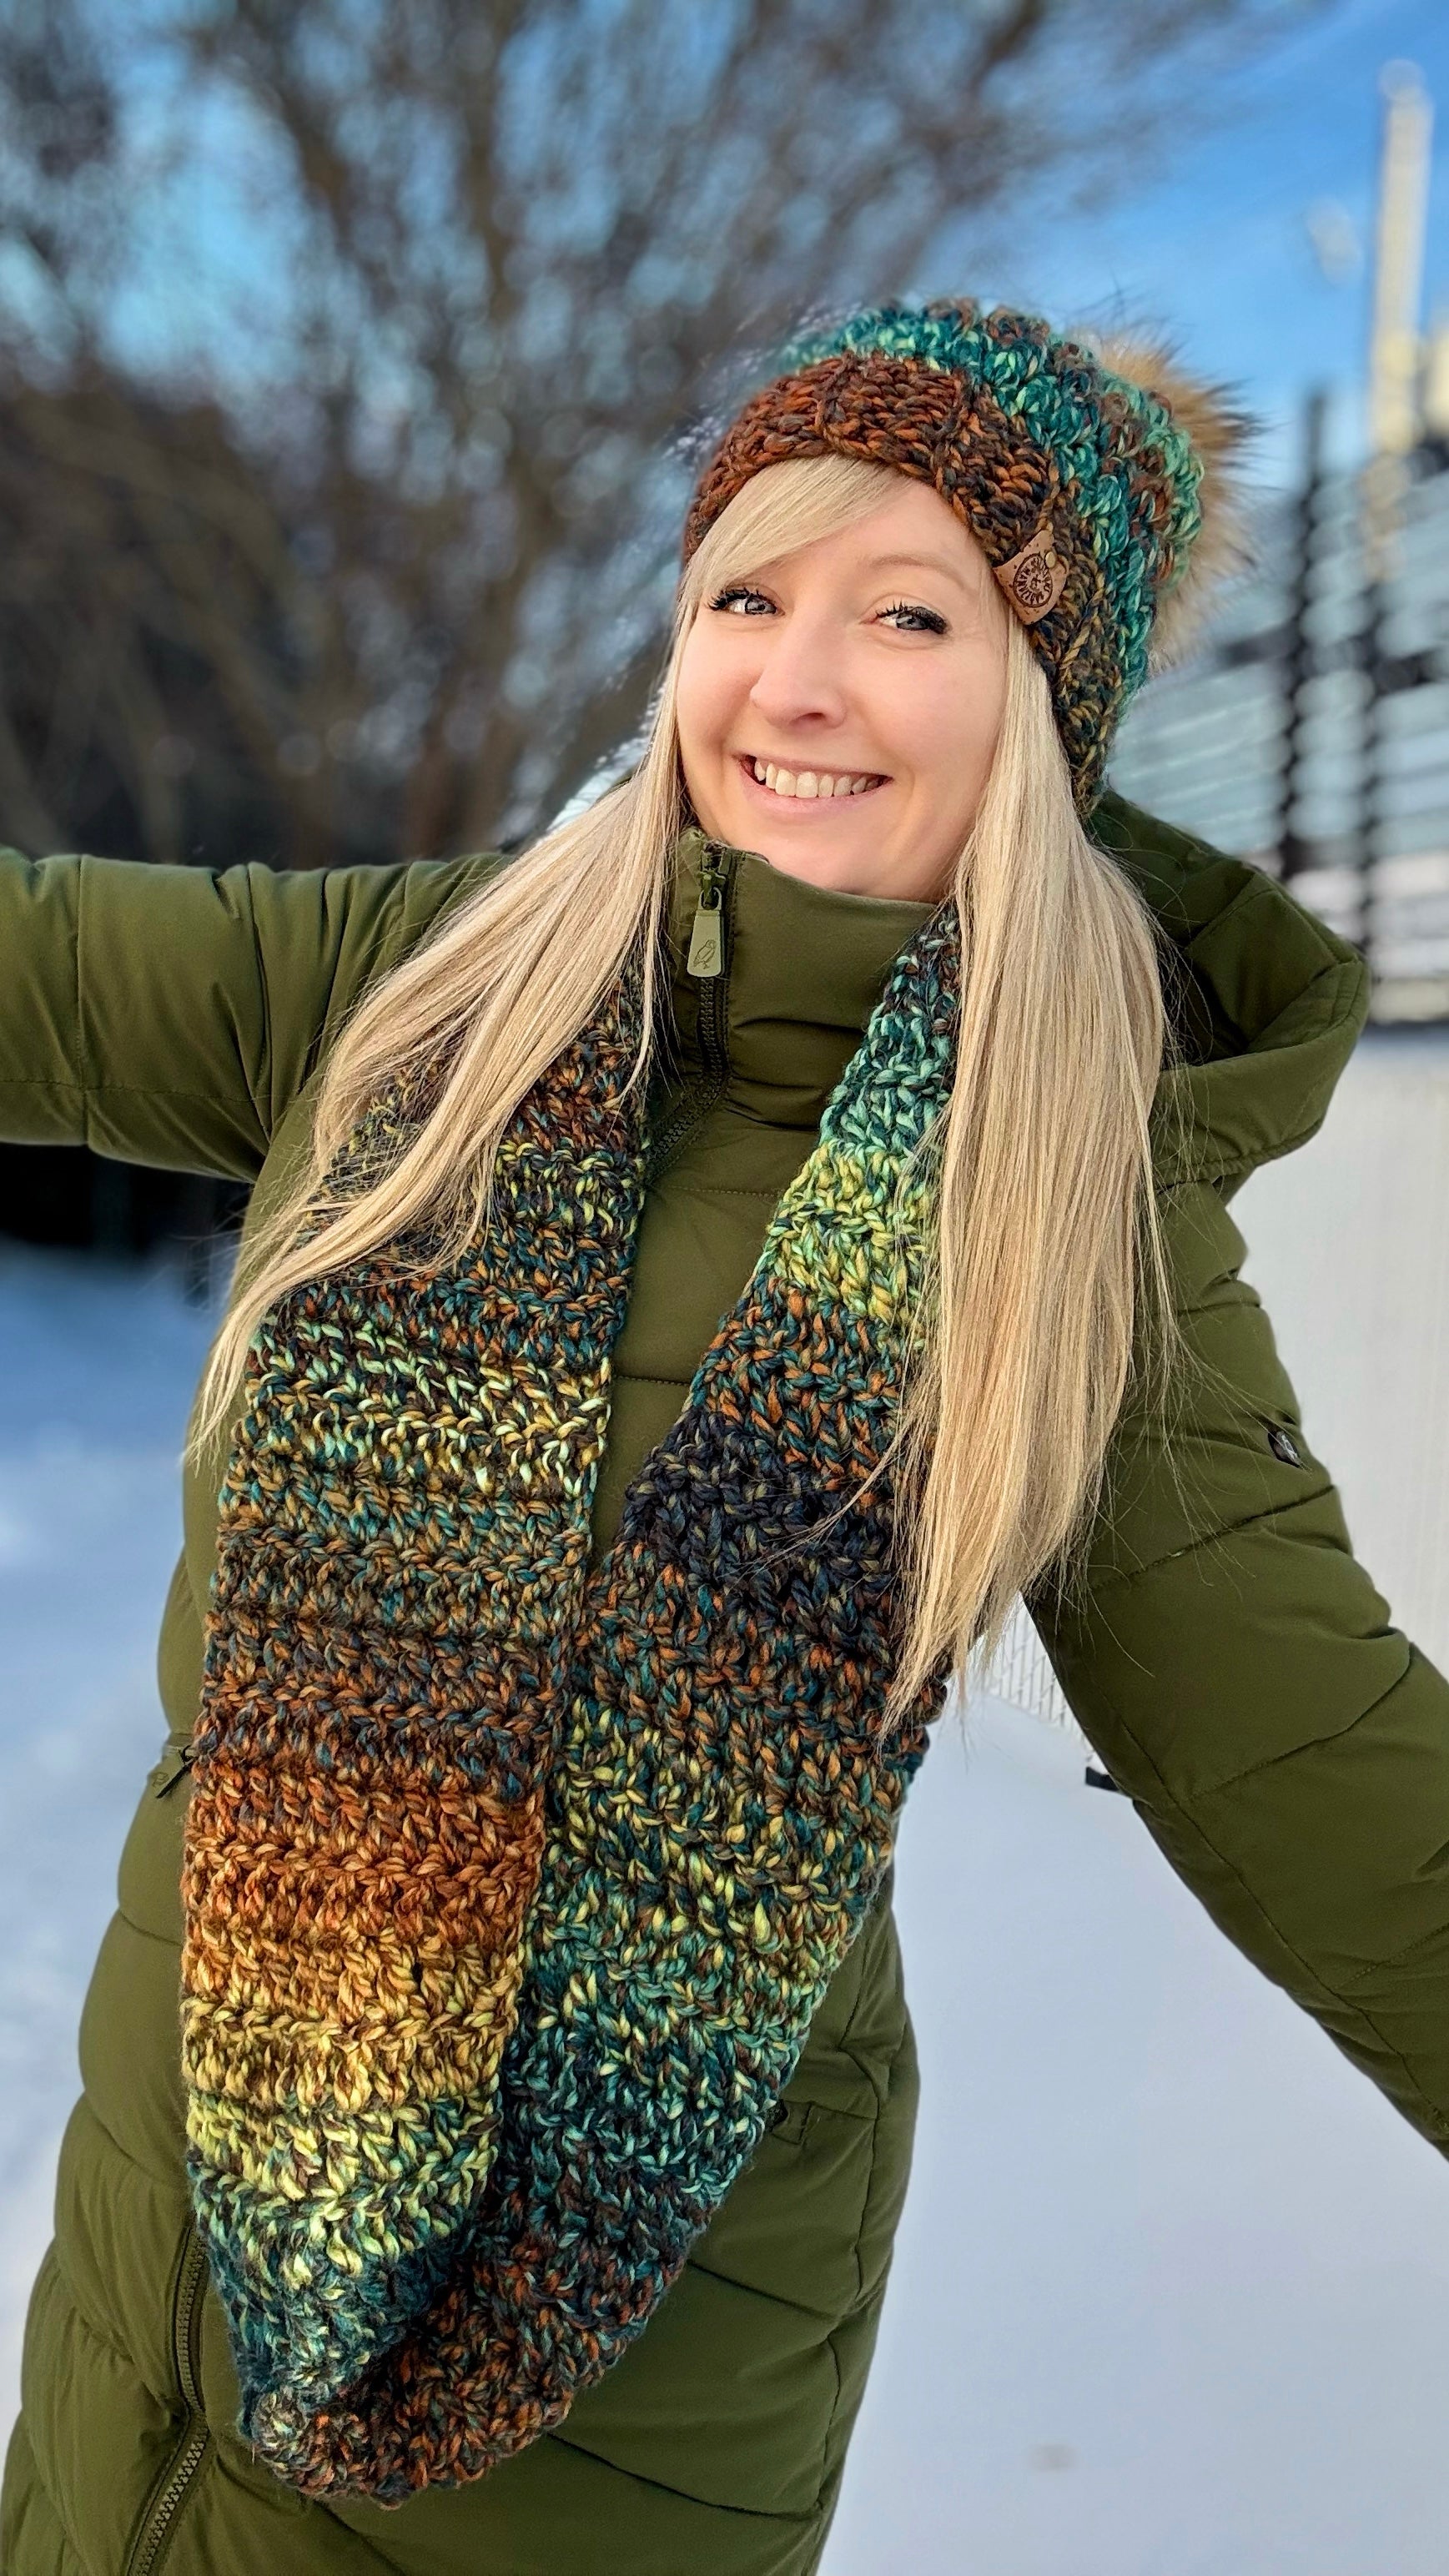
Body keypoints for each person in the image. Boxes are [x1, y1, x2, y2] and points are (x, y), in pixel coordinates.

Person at [2, 298, 1443, 2576]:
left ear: (1044, 704)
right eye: (745, 595)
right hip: (154, 2245)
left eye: (910, 614)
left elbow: (1339, 1790)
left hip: (601, 2388)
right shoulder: (438, 989)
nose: (798, 681)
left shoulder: (1061, 1201)